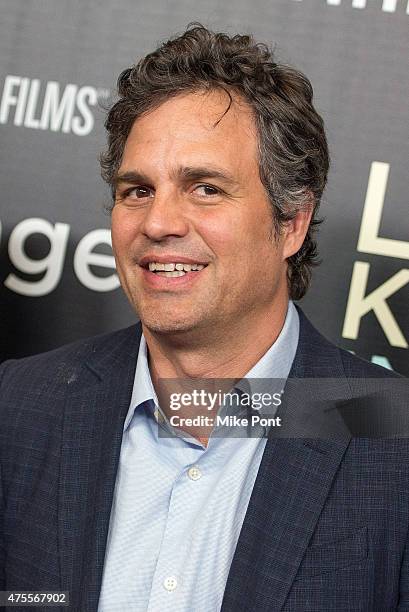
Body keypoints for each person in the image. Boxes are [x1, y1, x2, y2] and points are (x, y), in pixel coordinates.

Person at [0, 24, 408, 612]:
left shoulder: (392, 440)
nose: (159, 222)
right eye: (136, 190)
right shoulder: (21, 406)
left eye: (206, 188)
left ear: (290, 222)